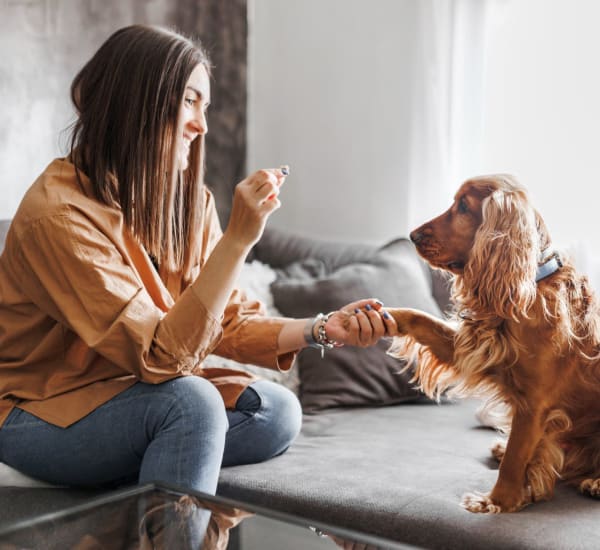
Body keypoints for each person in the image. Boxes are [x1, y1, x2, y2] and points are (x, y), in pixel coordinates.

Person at [0, 24, 396, 545]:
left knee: (276, 412)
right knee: (193, 404)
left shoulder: (188, 204)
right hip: (40, 410)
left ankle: (144, 490)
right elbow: (162, 360)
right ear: (137, 100)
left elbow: (226, 318)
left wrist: (324, 328)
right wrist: (238, 241)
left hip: (134, 398)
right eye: (190, 101)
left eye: (205, 106)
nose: (201, 125)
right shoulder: (57, 215)